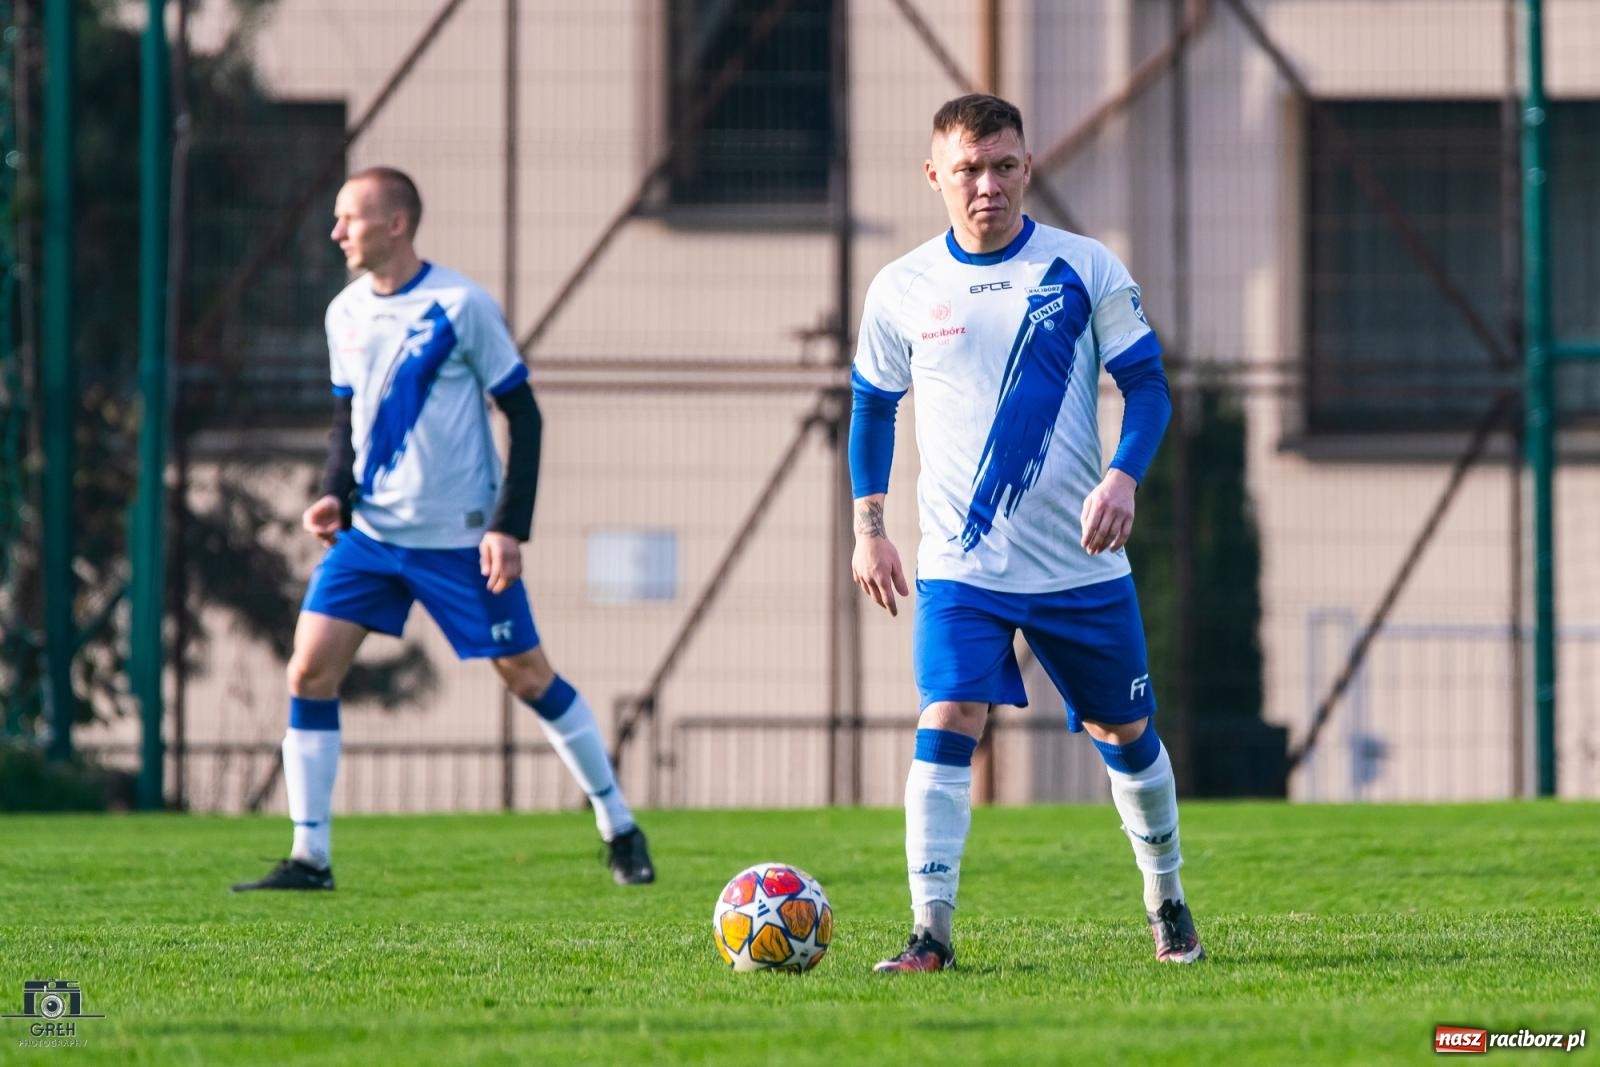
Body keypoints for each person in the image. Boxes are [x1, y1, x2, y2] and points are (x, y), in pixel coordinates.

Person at [849, 95, 1202, 971]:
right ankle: (930, 932)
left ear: (1027, 168)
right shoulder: (901, 287)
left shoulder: (1082, 267)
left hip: (1079, 568)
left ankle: (1167, 900)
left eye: (1004, 166)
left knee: (1128, 734)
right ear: (936, 176)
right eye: (968, 169)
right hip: (959, 567)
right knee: (949, 712)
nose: (987, 186)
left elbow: (1149, 388)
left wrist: (1123, 477)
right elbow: (872, 408)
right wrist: (870, 527)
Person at [232, 166, 655, 892]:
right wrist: (334, 494)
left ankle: (619, 825)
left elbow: (523, 414)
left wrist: (507, 528)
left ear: (397, 224)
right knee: (309, 669)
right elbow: (348, 420)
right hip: (371, 537)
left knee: (527, 675)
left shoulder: (461, 306)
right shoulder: (344, 314)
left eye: (351, 218)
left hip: (460, 541)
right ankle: (311, 857)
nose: (337, 232)